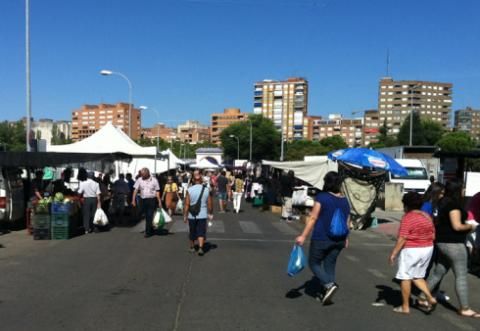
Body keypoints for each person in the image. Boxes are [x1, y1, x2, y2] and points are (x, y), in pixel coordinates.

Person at [418, 179, 480, 318]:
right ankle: (464, 308)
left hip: (442, 242)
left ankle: (422, 297)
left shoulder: (441, 202)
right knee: (461, 275)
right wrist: (471, 226)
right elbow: (457, 226)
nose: (464, 191)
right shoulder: (453, 205)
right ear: (458, 190)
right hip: (454, 244)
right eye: (462, 188)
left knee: (438, 272)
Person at [295, 171, 350, 305]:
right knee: (330, 265)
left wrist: (303, 236)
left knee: (313, 263)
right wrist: (347, 238)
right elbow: (348, 220)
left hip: (322, 237)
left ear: (327, 182)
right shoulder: (344, 200)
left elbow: (313, 217)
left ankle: (329, 285)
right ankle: (327, 293)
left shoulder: (322, 197)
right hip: (340, 239)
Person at [389, 192, 437, 314]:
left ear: (406, 205)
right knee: (418, 276)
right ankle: (430, 297)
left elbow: (403, 237)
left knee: (405, 276)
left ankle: (405, 307)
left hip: (412, 249)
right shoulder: (427, 216)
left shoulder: (408, 217)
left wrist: (394, 253)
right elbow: (433, 235)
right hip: (427, 248)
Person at [184, 169, 213, 256]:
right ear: (201, 180)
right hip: (202, 214)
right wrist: (210, 213)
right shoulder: (206, 190)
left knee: (192, 231)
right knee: (201, 231)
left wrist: (185, 215)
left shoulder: (189, 190)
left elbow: (186, 204)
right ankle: (200, 247)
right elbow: (210, 204)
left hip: (191, 215)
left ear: (193, 180)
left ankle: (192, 247)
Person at [132, 168, 162, 238]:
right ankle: (150, 227)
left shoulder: (154, 180)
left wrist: (159, 201)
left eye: (143, 175)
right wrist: (133, 200)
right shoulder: (139, 180)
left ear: (147, 173)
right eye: (141, 175)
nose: (142, 176)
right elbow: (135, 190)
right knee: (144, 214)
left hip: (152, 200)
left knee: (149, 215)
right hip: (143, 200)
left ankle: (147, 232)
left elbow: (157, 191)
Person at [77, 169, 101, 234]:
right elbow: (98, 194)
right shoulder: (96, 184)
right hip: (94, 199)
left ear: (87, 176)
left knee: (86, 214)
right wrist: (99, 202)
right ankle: (93, 228)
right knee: (94, 214)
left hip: (86, 200)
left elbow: (79, 192)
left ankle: (86, 229)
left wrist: (78, 198)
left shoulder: (83, 183)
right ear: (93, 177)